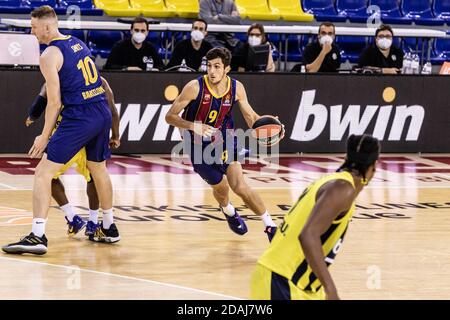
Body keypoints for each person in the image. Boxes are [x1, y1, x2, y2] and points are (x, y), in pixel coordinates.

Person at [2, 5, 119, 255]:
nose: (32, 32)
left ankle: (37, 235)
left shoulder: (49, 55)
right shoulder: (77, 42)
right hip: (100, 111)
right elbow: (101, 84)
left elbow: (53, 101)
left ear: (46, 26)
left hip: (80, 116)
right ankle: (108, 227)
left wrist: (43, 136)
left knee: (43, 173)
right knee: (99, 169)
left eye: (34, 27)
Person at [165, 47, 280, 241]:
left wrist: (270, 127)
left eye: (217, 66)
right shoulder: (195, 87)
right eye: (209, 66)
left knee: (239, 186)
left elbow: (252, 118)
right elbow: (169, 117)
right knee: (221, 188)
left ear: (226, 68)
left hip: (224, 140)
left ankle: (270, 226)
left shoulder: (237, 88)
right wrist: (193, 126)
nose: (212, 71)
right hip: (197, 146)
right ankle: (228, 211)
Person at [250, 134, 380, 300]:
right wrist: (330, 288)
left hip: (302, 284)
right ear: (374, 166)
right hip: (282, 279)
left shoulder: (335, 183)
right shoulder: (342, 189)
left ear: (347, 157)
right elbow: (308, 235)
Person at [25, 77, 120, 239]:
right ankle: (92, 222)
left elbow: (41, 98)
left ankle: (71, 218)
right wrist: (116, 135)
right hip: (89, 134)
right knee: (95, 177)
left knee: (46, 175)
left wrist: (32, 116)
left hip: (67, 134)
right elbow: (111, 110)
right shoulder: (100, 82)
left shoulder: (57, 78)